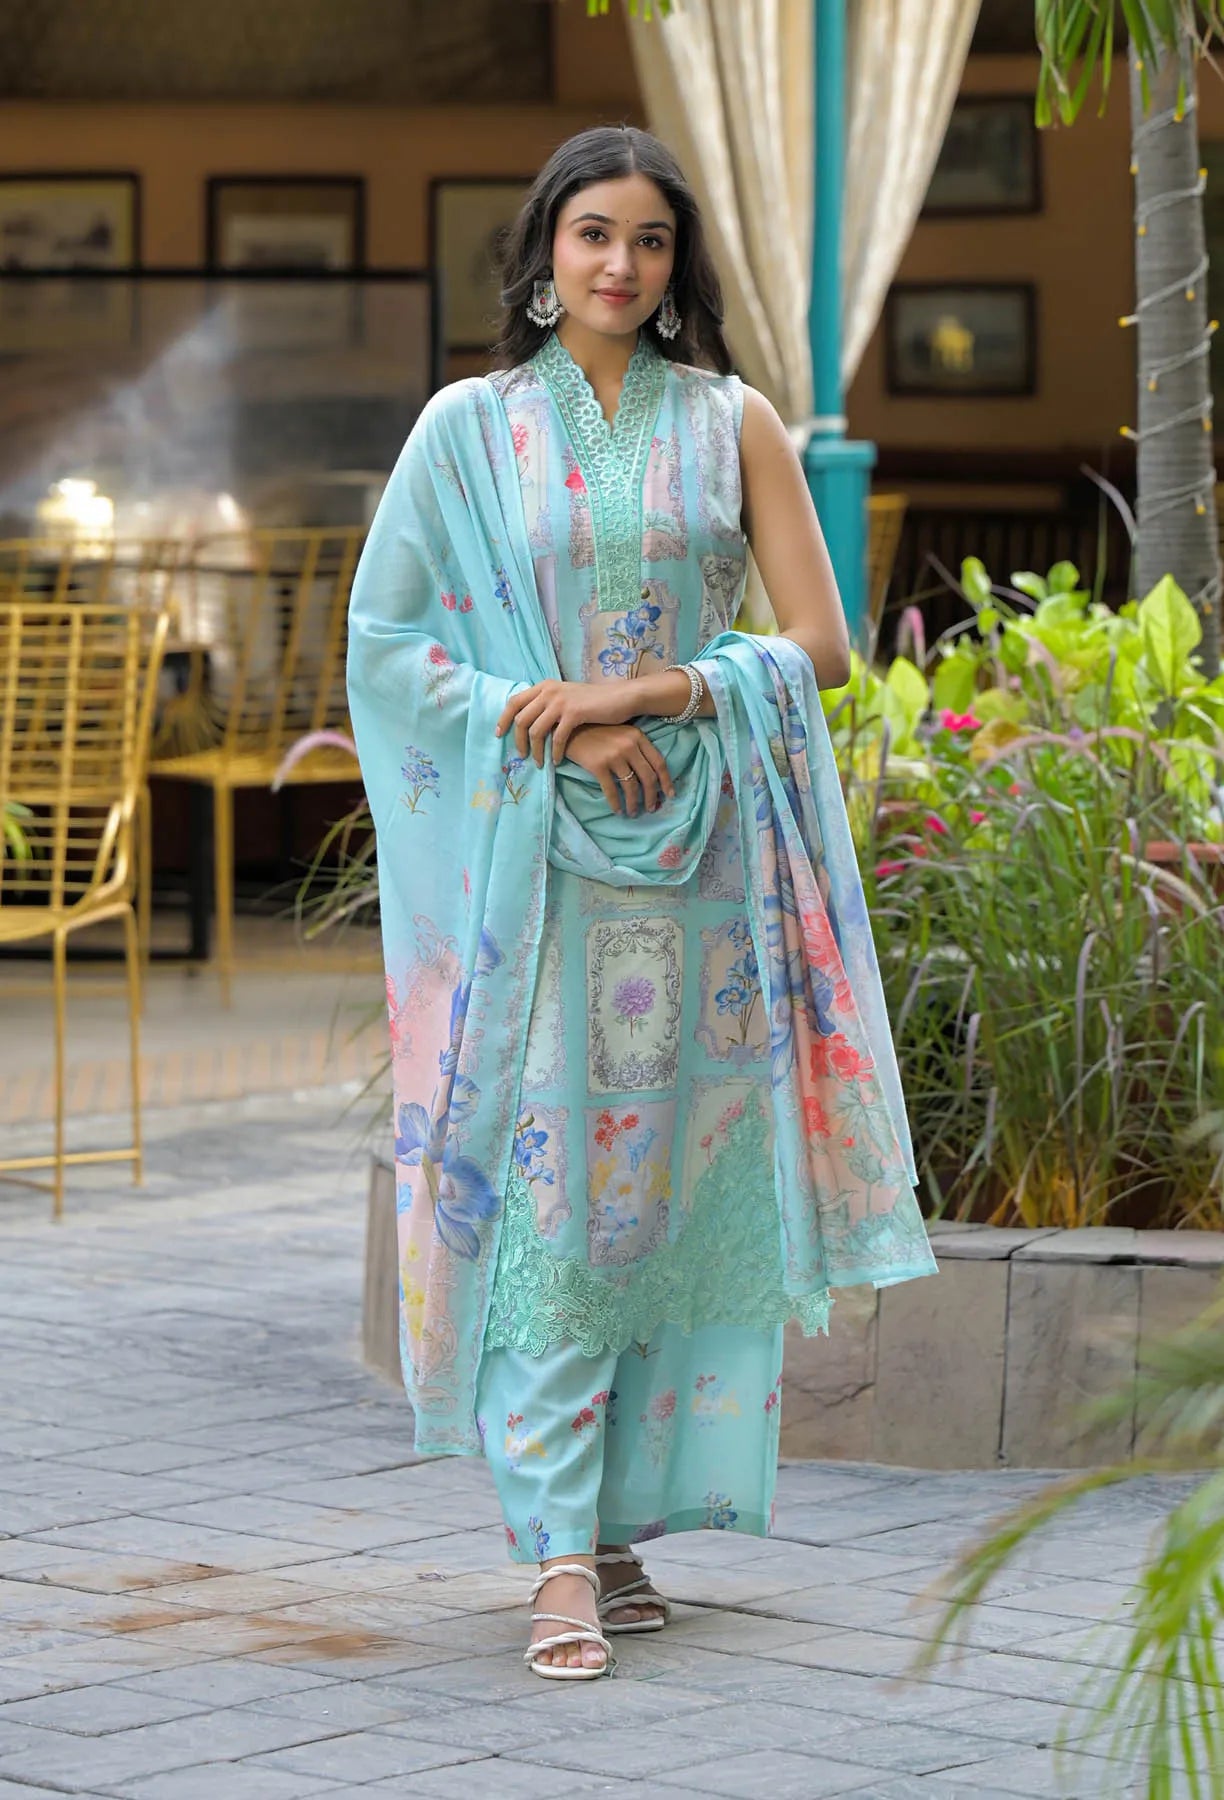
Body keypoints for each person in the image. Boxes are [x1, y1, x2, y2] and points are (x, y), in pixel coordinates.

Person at [346, 124, 938, 1683]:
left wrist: (659, 688)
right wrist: (556, 717)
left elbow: (820, 642)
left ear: (679, 268)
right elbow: (388, 646)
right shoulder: (467, 433)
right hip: (535, 875)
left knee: (671, 1199)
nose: (623, 264)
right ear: (544, 254)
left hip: (707, 875)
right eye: (595, 234)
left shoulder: (733, 418)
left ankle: (613, 1525)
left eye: (652, 241)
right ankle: (552, 1562)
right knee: (552, 1204)